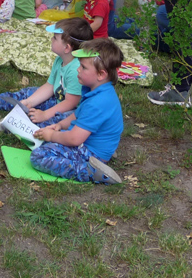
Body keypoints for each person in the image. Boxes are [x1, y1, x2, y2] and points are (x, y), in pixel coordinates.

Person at [30, 39, 124, 184]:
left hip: (90, 151)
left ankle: (91, 172)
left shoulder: (98, 102)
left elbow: (74, 139)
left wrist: (52, 136)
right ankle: (104, 150)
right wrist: (60, 125)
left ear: (101, 74)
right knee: (48, 127)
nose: (78, 69)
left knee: (39, 156)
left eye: (83, 67)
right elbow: (77, 114)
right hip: (91, 142)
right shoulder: (97, 89)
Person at [0, 17, 94, 124]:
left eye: (55, 38)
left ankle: (21, 126)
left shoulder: (76, 70)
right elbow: (50, 86)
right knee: (28, 93)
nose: (51, 39)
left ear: (67, 48)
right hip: (57, 101)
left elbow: (70, 103)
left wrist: (45, 115)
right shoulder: (60, 60)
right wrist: (30, 101)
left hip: (73, 110)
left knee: (60, 121)